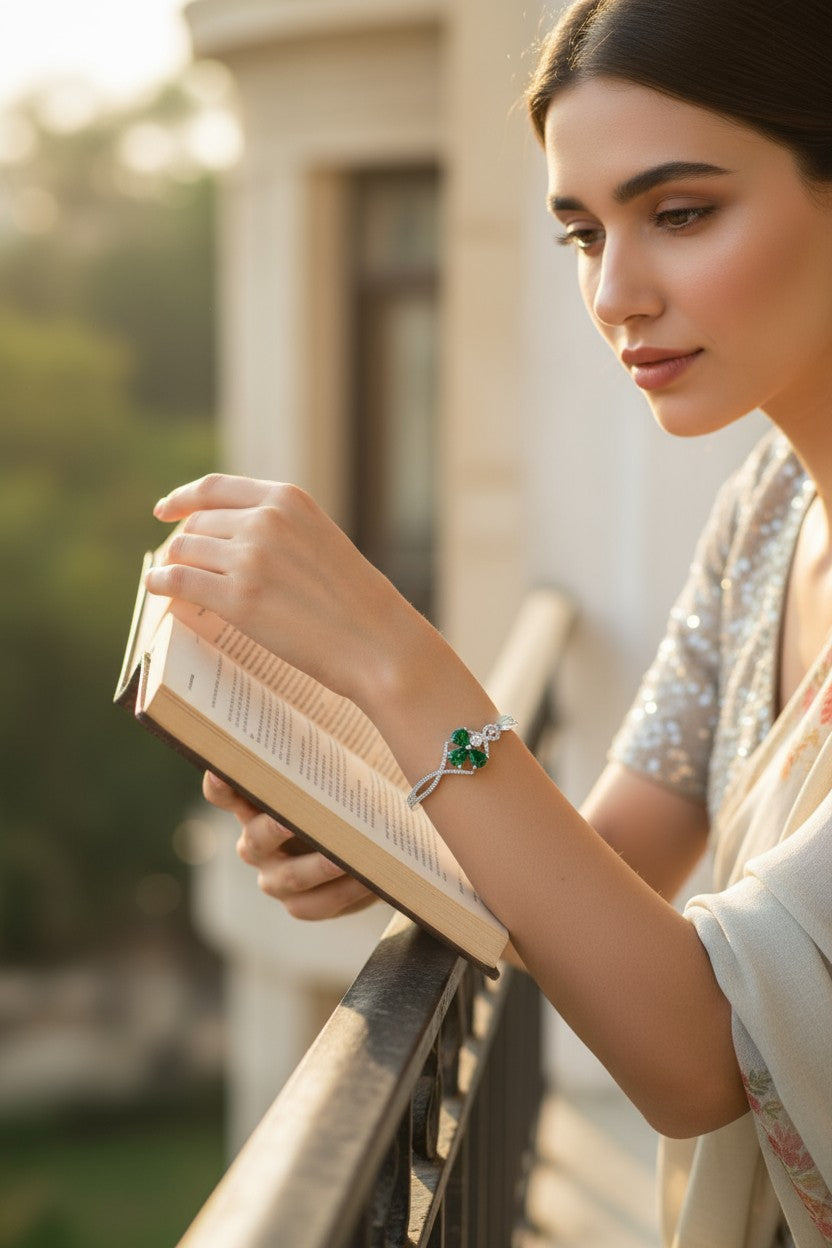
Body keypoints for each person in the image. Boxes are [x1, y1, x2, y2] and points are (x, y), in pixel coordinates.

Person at [145, 1, 832, 1243]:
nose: (616, 292)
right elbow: (616, 858)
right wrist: (382, 826)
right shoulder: (771, 513)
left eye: (680, 214)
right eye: (581, 232)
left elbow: (697, 1057)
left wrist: (394, 659)